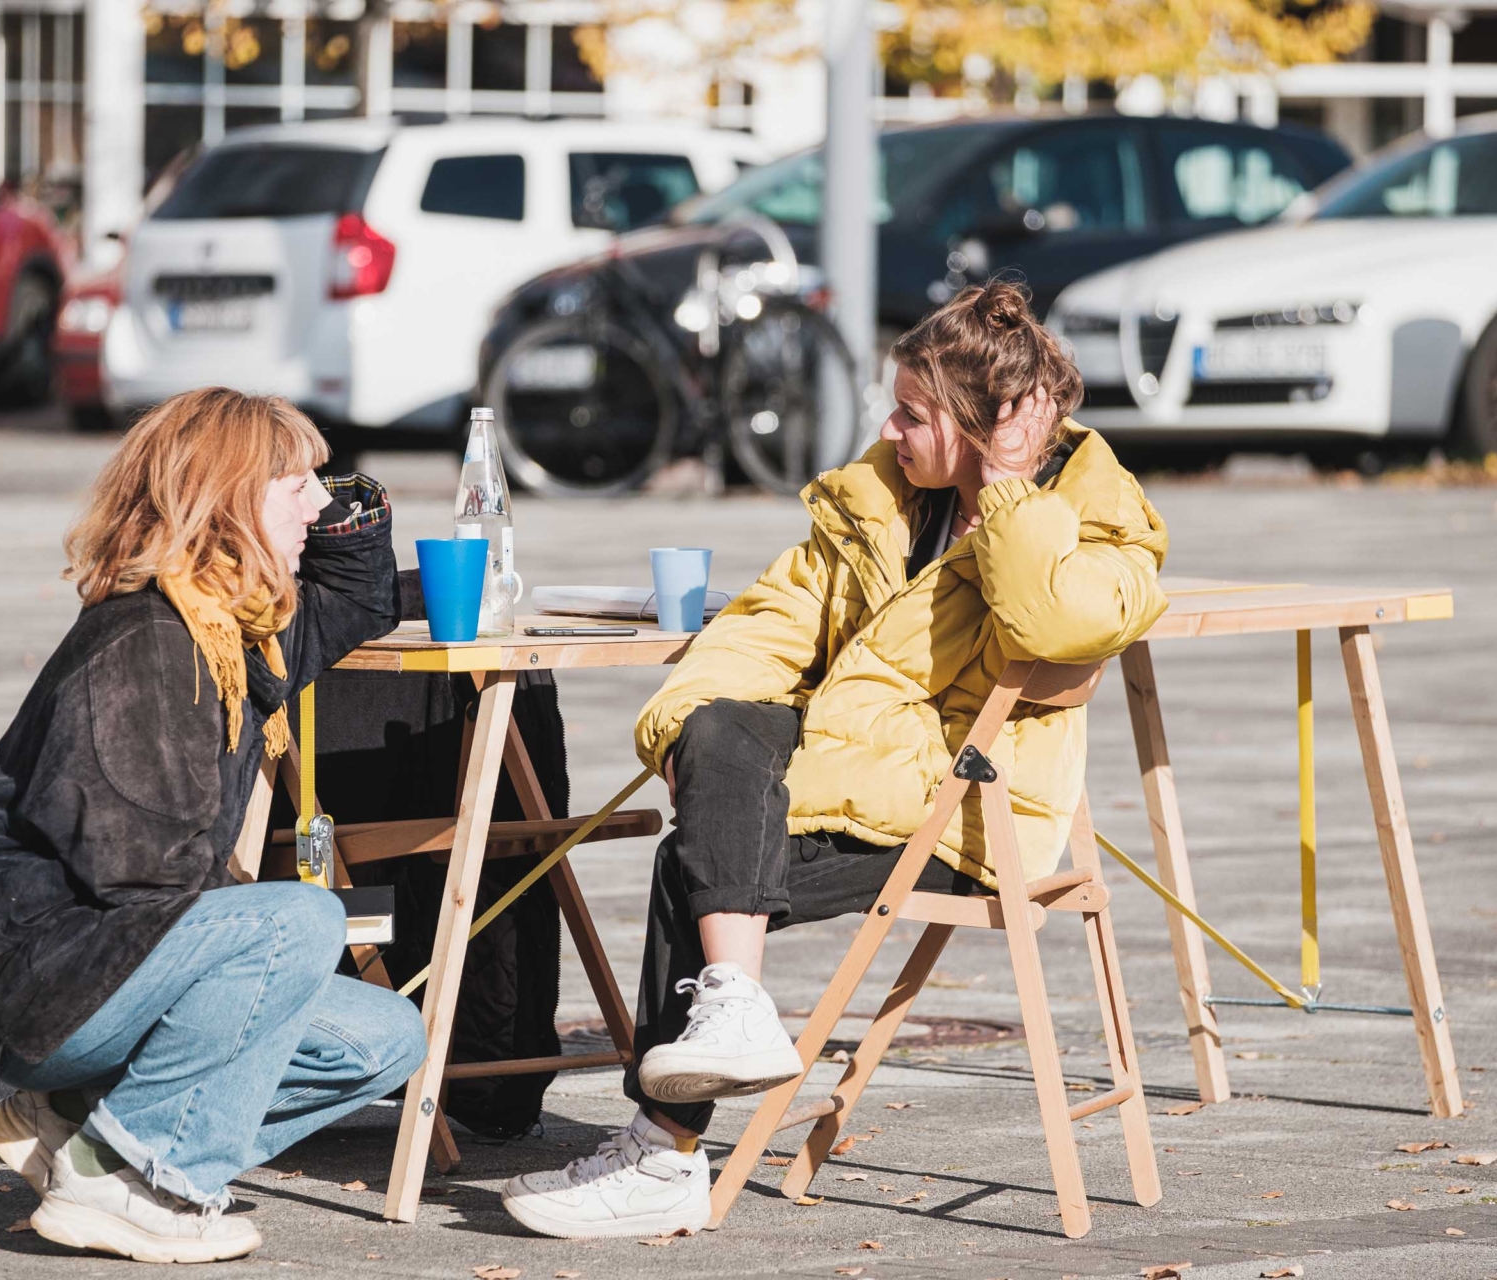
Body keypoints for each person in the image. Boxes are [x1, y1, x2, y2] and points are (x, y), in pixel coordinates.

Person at [501, 281, 1170, 1239]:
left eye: (915, 413)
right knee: (720, 725)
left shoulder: (1103, 521)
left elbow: (1051, 619)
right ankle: (730, 1008)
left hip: (971, 812)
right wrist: (688, 727)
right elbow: (772, 622)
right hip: (854, 773)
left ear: (991, 427)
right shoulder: (885, 500)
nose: (891, 430)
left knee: (695, 860)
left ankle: (663, 1152)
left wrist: (1013, 489)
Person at [0, 388, 426, 1264]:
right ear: (229, 499)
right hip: (50, 983)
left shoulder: (237, 629)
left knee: (387, 1039)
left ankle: (85, 1127)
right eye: (295, 485)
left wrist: (348, 501)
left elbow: (353, 605)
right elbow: (140, 871)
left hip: (117, 969)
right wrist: (261, 939)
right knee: (299, 924)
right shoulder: (149, 640)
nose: (317, 502)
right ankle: (133, 1177)